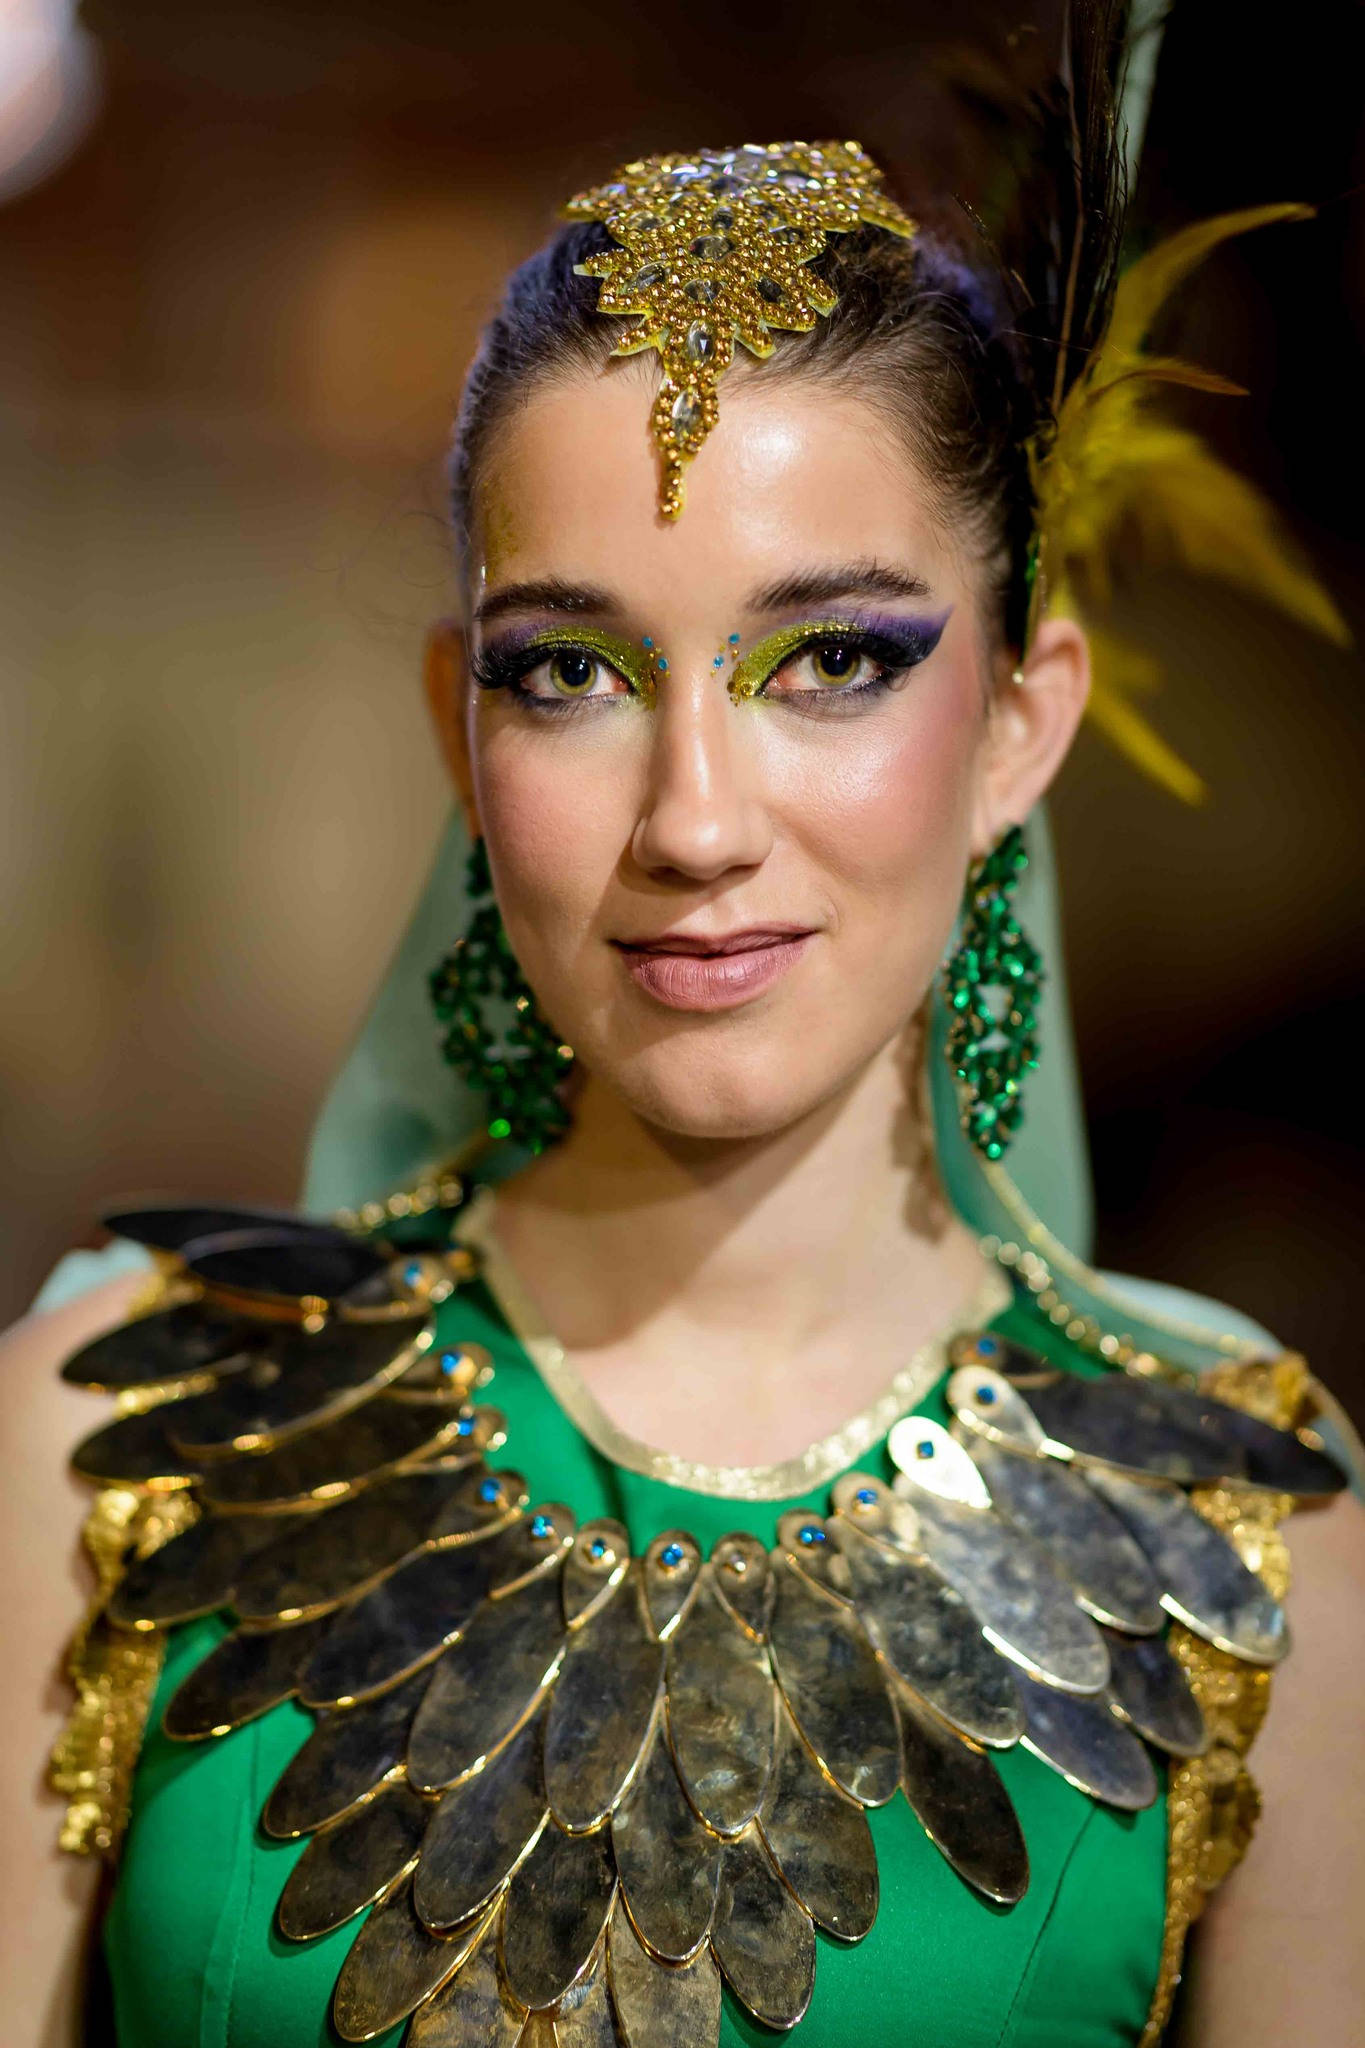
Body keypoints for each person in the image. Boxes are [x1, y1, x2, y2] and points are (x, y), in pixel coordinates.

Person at [4, 56, 1364, 2048]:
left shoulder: (1250, 1550)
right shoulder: (111, 1446)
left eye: (834, 660)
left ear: (1018, 721)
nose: (696, 820)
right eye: (570, 671)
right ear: (456, 729)